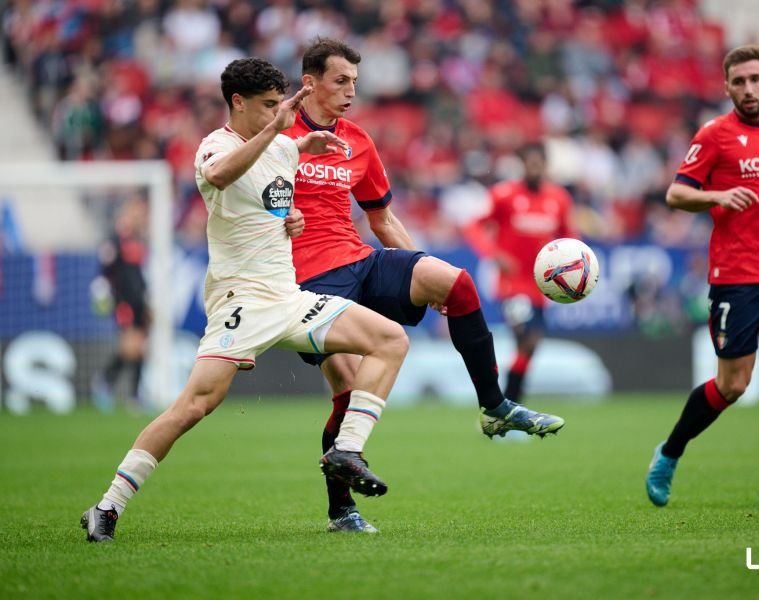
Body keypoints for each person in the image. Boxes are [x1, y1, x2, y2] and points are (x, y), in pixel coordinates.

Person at [81, 57, 409, 542]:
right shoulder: (216, 146)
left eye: (280, 104)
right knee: (194, 406)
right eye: (268, 105)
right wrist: (280, 133)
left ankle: (348, 451)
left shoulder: (283, 147)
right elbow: (219, 177)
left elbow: (274, 200)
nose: (278, 113)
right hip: (242, 302)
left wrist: (293, 213)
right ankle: (107, 506)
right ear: (238, 102)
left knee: (390, 339)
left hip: (290, 297)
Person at [282, 38, 564, 533]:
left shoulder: (358, 141)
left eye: (354, 82)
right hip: (307, 284)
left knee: (454, 282)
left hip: (358, 261)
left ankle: (494, 406)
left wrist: (420, 269)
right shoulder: (278, 136)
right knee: (347, 389)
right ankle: (341, 511)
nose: (351, 91)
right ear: (310, 83)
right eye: (340, 81)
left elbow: (383, 220)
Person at [645, 45, 759, 508]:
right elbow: (676, 195)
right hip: (738, 276)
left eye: (754, 79)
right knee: (733, 385)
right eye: (739, 82)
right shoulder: (715, 135)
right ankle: (670, 452)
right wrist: (718, 196)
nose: (748, 89)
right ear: (727, 88)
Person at [464, 142, 578, 405]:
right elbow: (474, 226)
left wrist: (572, 263)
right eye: (530, 164)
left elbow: (569, 236)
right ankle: (507, 403)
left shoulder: (558, 199)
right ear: (523, 165)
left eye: (539, 164)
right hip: (512, 285)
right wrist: (494, 254)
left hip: (542, 285)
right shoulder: (504, 195)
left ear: (546, 166)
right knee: (527, 339)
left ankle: (504, 405)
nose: (534, 169)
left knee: (529, 346)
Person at [91, 195, 150, 412]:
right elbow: (104, 272)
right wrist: (104, 295)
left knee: (139, 349)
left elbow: (138, 275)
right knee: (132, 347)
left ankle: (123, 389)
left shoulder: (138, 240)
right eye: (135, 213)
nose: (138, 217)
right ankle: (111, 383)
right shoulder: (114, 241)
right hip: (124, 302)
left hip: (139, 301)